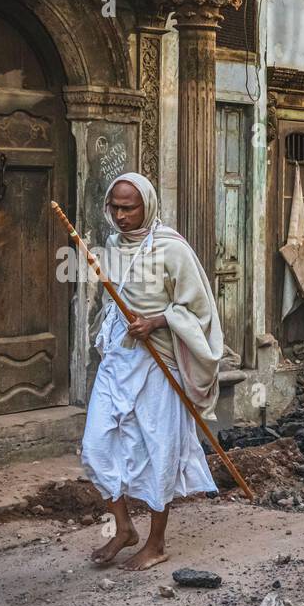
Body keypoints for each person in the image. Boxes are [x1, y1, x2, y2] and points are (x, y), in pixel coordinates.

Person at [81, 172, 224, 570]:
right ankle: (124, 527)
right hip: (117, 361)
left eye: (129, 208)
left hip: (158, 363)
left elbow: (198, 311)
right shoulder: (111, 245)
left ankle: (156, 543)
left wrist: (158, 321)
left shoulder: (171, 248)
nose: (121, 216)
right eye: (115, 208)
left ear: (148, 206)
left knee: (158, 451)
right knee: (95, 447)